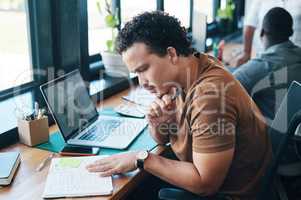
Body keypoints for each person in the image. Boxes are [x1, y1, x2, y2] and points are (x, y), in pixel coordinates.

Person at [86, 11, 272, 200]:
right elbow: (161, 140)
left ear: (171, 54)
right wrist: (158, 123)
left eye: (144, 69)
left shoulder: (210, 96)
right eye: (136, 74)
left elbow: (205, 184)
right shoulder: (191, 68)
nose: (142, 82)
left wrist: (140, 158)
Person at [233, 7, 301, 121]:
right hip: (294, 134)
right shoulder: (298, 54)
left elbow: (223, 85)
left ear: (262, 32)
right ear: (291, 32)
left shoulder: (264, 65)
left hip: (270, 136)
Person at [234, 0, 301, 66]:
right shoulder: (259, 1)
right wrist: (246, 53)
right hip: (266, 59)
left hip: (296, 57)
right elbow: (250, 25)